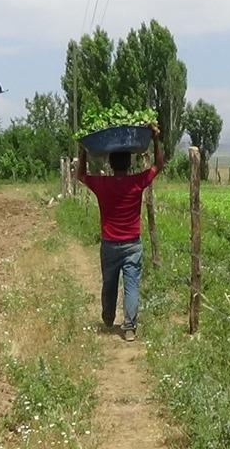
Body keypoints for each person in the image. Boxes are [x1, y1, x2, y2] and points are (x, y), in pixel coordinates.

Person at [76, 124, 163, 342]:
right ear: (129, 163)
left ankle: (108, 317)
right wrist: (155, 138)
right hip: (132, 244)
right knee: (131, 285)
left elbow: (80, 174)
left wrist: (83, 149)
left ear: (111, 163)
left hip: (109, 244)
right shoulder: (137, 182)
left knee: (109, 282)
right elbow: (159, 164)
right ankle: (130, 328)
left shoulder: (102, 184)